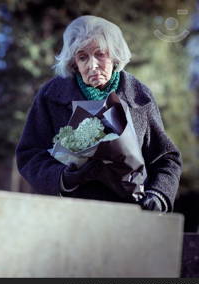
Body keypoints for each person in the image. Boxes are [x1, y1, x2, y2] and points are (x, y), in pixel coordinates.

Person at [15, 15, 182, 213]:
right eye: (83, 57)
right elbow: (29, 154)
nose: (92, 65)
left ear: (115, 55)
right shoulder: (50, 95)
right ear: (74, 62)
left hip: (129, 215)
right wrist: (63, 177)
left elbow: (166, 158)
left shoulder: (139, 95)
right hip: (70, 216)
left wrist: (158, 195)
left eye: (100, 54)